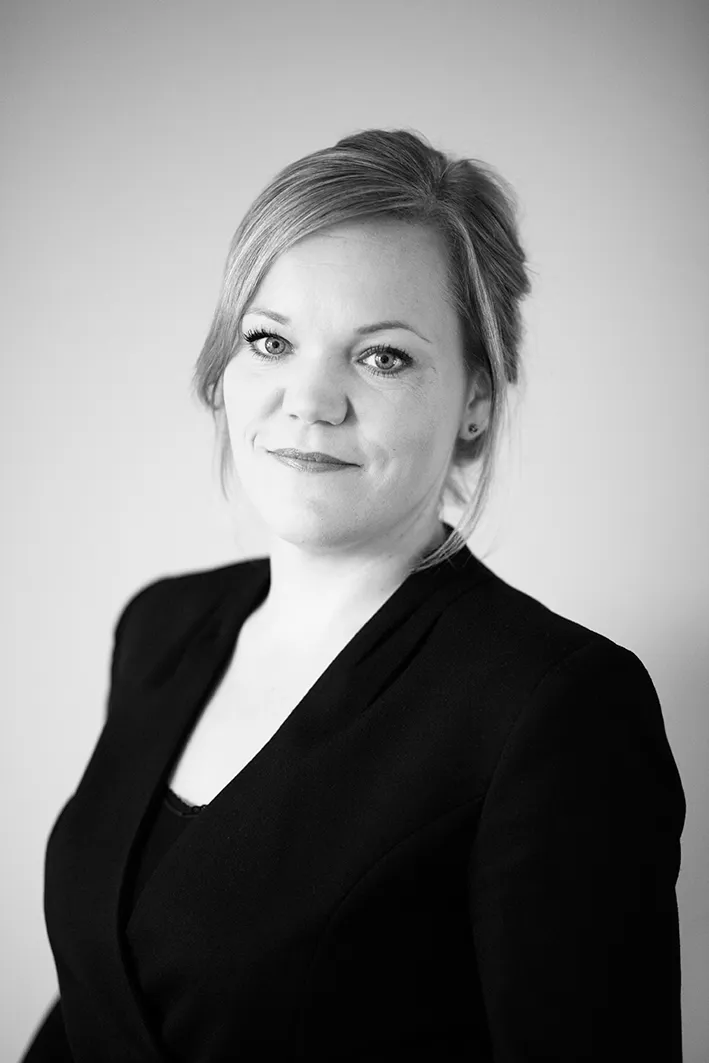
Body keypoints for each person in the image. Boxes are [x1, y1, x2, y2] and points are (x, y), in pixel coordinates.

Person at [20, 128, 685, 1063]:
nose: (309, 399)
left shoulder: (555, 707)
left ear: (476, 401)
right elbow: (105, 995)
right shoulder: (162, 626)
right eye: (270, 341)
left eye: (381, 357)